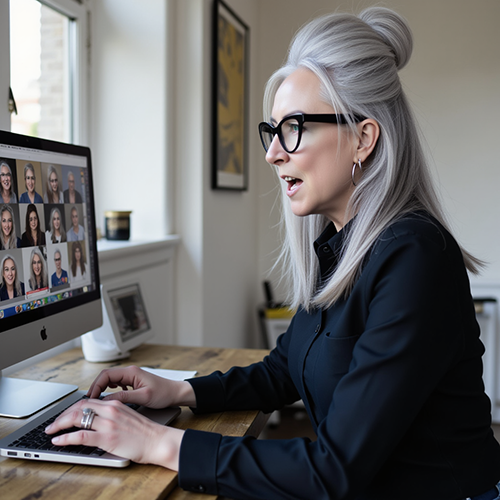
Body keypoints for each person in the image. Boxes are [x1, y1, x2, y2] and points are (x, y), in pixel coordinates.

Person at [45, 8, 500, 500]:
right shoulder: (340, 243)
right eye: (273, 130)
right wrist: (181, 391)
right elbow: (286, 368)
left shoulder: (415, 258)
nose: (272, 153)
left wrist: (158, 441)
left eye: (295, 127)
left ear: (363, 139)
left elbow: (333, 472)